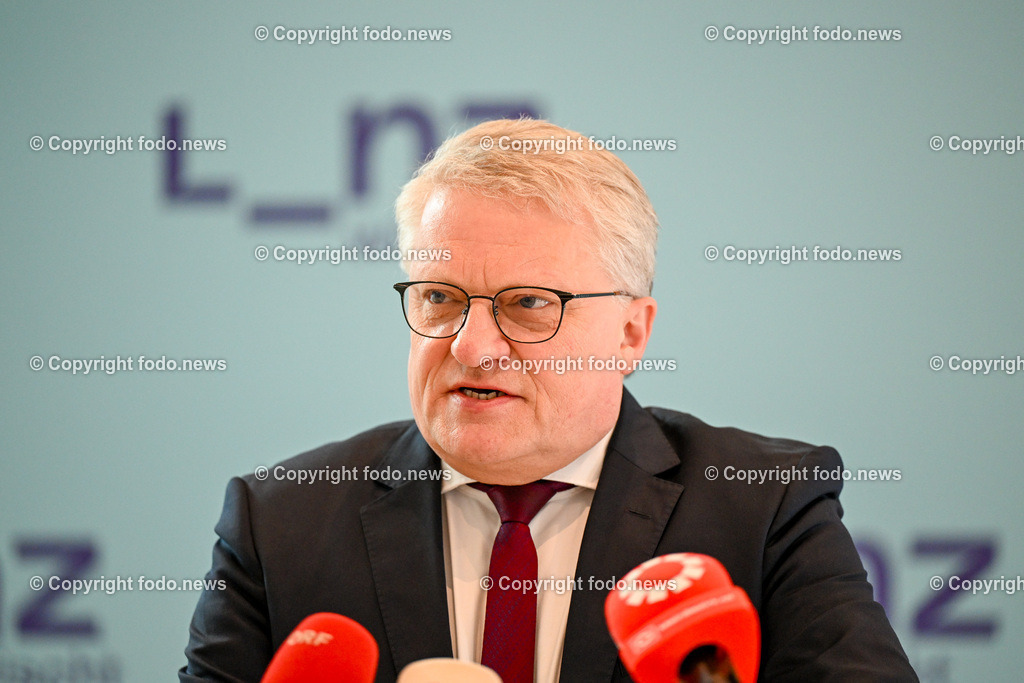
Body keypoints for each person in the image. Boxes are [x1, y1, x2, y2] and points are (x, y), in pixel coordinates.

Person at [180, 119, 918, 682]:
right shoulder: (281, 523)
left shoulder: (761, 510)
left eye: (529, 304)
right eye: (439, 298)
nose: (471, 346)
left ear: (632, 332)